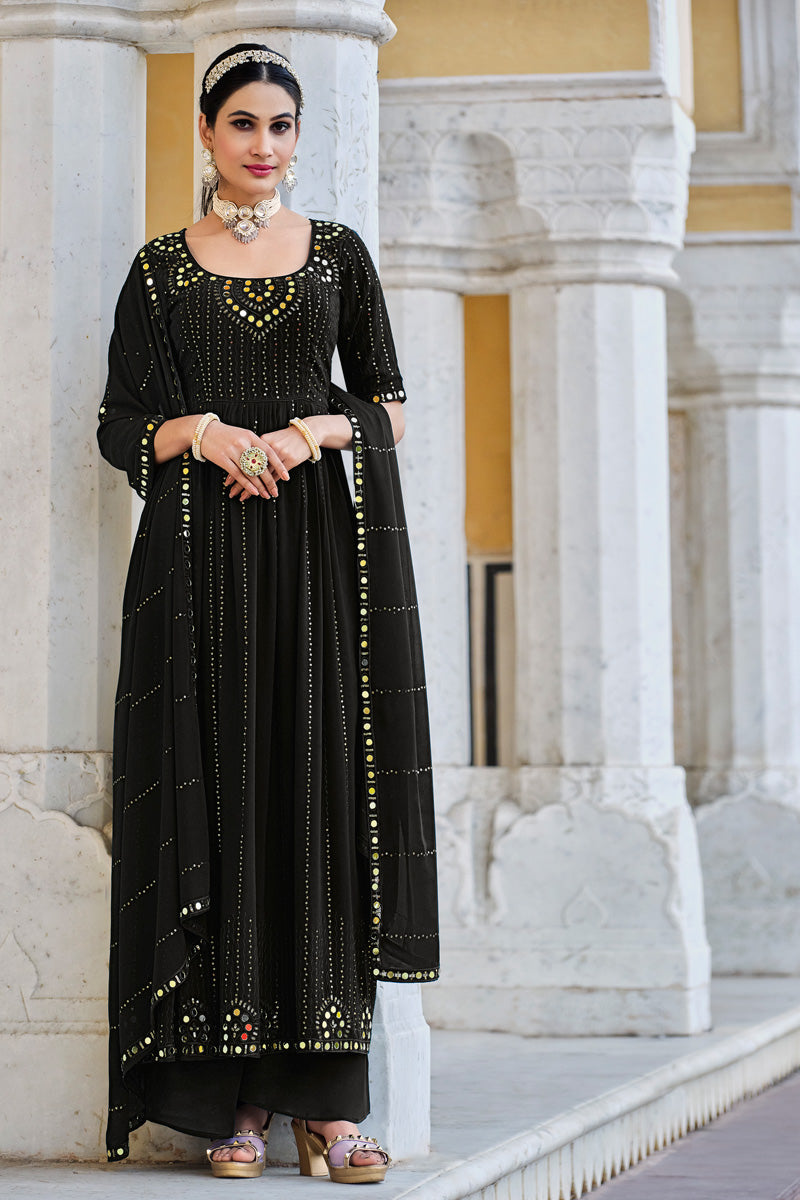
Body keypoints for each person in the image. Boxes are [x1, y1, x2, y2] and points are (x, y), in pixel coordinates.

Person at [97, 42, 439, 1183]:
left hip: (316, 558)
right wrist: (205, 435)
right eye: (241, 123)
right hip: (199, 564)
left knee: (318, 794)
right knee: (224, 793)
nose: (261, 144)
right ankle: (234, 1106)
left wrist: (305, 433)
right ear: (206, 133)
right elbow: (118, 425)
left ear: (297, 137)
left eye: (280, 126)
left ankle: (329, 1110)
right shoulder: (159, 270)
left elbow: (387, 406)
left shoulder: (337, 254)